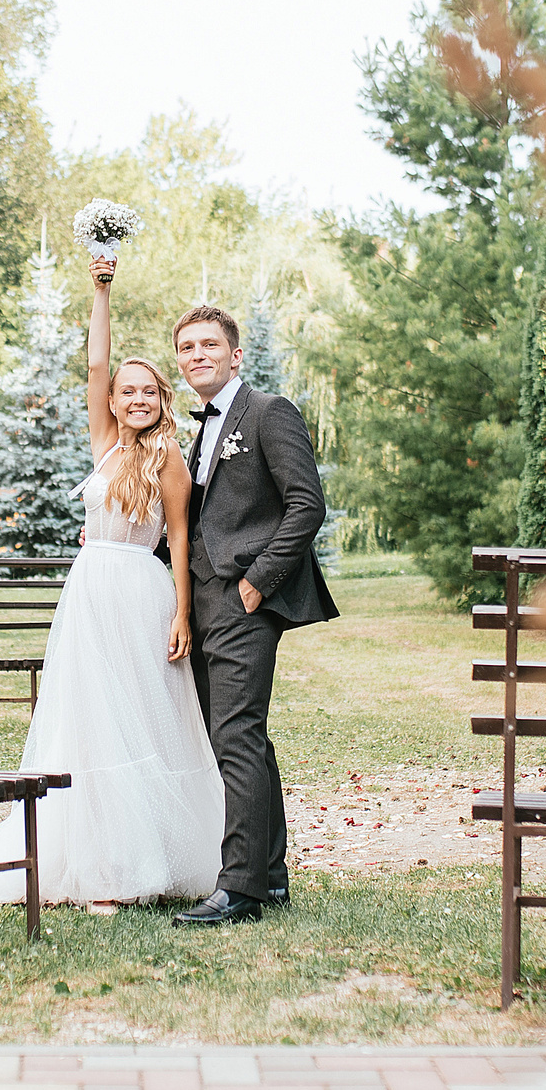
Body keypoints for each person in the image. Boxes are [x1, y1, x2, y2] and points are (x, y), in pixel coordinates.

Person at [0, 250, 225, 910]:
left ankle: (142, 864)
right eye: (126, 390)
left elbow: (182, 537)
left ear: (162, 399)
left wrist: (182, 615)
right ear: (113, 401)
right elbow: (95, 363)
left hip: (141, 592)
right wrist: (101, 292)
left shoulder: (169, 458)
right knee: (88, 719)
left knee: (139, 721)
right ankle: (96, 864)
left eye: (147, 390)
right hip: (89, 593)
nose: (135, 397)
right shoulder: (104, 442)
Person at [166, 302, 339, 928]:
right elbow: (199, 515)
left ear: (235, 355)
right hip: (203, 599)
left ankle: (237, 889)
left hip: (243, 598)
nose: (197, 356)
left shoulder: (268, 412)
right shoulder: (197, 431)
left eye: (209, 345)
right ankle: (269, 878)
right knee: (238, 738)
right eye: (186, 348)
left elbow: (306, 505)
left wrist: (258, 582)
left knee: (237, 733)